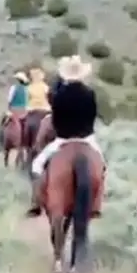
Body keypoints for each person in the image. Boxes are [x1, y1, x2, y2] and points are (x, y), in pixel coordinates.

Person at [27, 55, 103, 216]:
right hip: (87, 138)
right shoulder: (90, 93)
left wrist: (64, 132)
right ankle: (96, 206)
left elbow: (56, 120)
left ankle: (36, 202)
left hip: (63, 139)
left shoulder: (59, 95)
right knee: (102, 166)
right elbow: (93, 115)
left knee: (37, 165)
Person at [0, 69, 28, 145]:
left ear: (18, 80)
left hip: (14, 110)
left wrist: (8, 107)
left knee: (4, 122)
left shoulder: (13, 88)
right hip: (24, 110)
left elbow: (9, 99)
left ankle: (2, 140)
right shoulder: (26, 89)